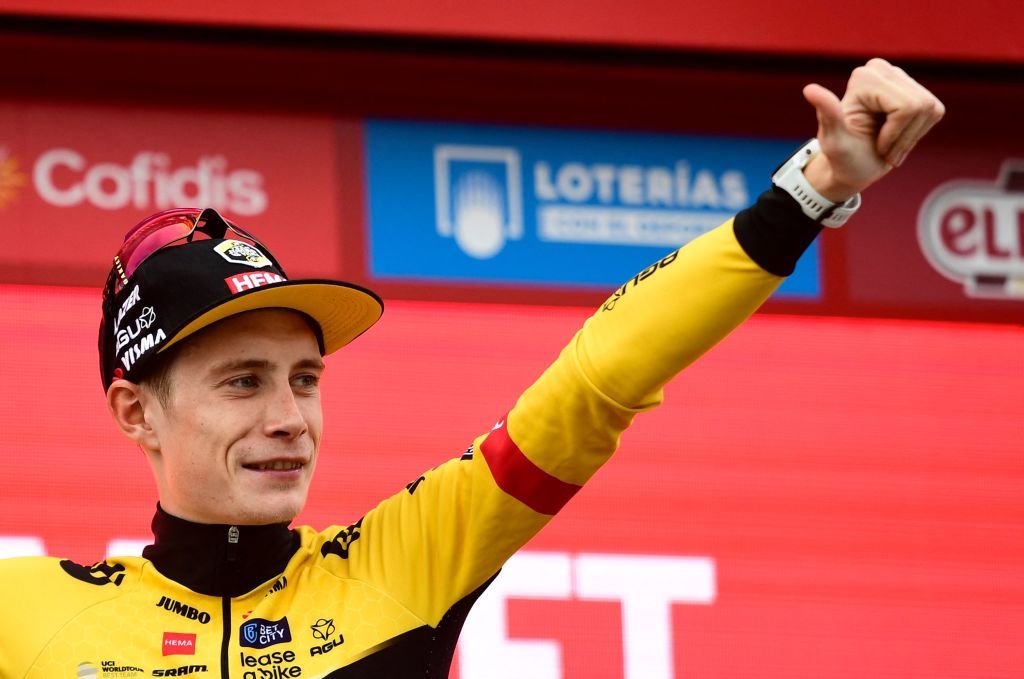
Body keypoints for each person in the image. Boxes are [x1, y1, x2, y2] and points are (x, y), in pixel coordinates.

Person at [0, 58, 943, 677]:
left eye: (305, 377)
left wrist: (812, 191)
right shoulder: (26, 615)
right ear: (135, 411)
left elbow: (590, 386)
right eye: (243, 381)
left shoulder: (406, 563)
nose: (290, 416)